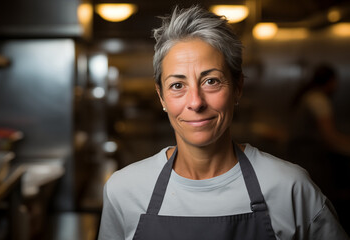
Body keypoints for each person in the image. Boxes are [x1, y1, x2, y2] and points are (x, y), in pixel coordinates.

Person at [98, 6, 349, 240]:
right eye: (177, 85)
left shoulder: (291, 188)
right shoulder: (123, 191)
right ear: (161, 96)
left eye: (211, 81)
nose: (195, 102)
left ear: (237, 88)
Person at [289, 64, 350, 202]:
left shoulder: (309, 96)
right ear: (331, 81)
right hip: (311, 160)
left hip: (301, 157)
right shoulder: (318, 100)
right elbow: (329, 137)